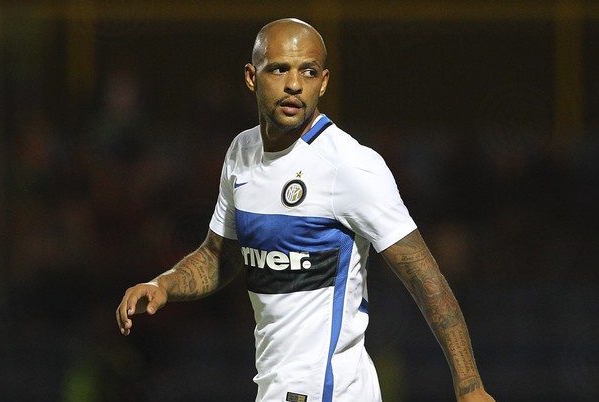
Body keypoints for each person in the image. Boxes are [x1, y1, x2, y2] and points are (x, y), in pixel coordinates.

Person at [116, 18, 495, 402]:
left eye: (308, 72)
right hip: (276, 389)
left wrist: (470, 387)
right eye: (280, 69)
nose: (295, 84)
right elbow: (220, 256)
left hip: (329, 392)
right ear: (251, 77)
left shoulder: (349, 166)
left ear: (324, 82)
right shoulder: (241, 153)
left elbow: (425, 279)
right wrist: (163, 286)